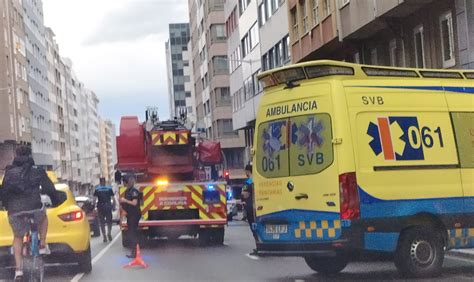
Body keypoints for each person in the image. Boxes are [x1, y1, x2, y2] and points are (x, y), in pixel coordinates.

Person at [2, 146, 58, 280]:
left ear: (16, 155)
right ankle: (43, 244)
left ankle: (18, 270)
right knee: (43, 217)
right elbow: (49, 188)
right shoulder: (37, 170)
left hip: (15, 211)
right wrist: (56, 200)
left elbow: (3, 192)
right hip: (34, 207)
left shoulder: (9, 172)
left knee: (17, 237)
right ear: (30, 155)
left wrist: (5, 205)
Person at [120, 174, 141, 258]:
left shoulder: (134, 191)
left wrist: (125, 200)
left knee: (133, 233)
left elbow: (134, 203)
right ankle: (134, 251)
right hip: (130, 215)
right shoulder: (127, 191)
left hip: (134, 214)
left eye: (124, 182)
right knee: (131, 233)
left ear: (127, 182)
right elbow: (126, 205)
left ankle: (135, 252)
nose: (123, 183)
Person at [241, 164, 258, 253]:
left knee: (253, 227)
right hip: (258, 207)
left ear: (247, 171)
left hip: (250, 208)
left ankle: (258, 245)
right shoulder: (257, 180)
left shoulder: (248, 182)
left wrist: (242, 196)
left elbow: (245, 194)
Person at [94, 177, 116, 243]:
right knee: (109, 221)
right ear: (105, 182)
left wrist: (94, 207)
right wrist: (114, 206)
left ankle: (104, 236)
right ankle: (109, 232)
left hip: (100, 207)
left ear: (100, 182)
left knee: (102, 222)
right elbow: (113, 198)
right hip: (108, 206)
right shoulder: (109, 188)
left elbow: (94, 199)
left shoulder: (97, 189)